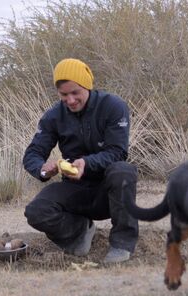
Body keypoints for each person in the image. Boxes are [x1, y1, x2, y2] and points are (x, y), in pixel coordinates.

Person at [23, 58, 139, 263]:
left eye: (75, 93)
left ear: (87, 86)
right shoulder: (53, 116)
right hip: (75, 191)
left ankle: (122, 243)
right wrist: (42, 170)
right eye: (64, 95)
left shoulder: (113, 107)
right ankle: (79, 232)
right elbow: (32, 154)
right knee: (36, 211)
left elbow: (118, 151)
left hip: (108, 192)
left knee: (124, 170)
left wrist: (87, 163)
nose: (70, 100)